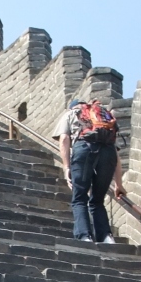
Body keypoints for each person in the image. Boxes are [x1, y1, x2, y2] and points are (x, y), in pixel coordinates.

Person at [53, 99, 125, 244]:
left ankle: (84, 236)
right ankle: (106, 237)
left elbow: (64, 138)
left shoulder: (71, 113)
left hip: (84, 148)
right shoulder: (104, 117)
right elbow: (116, 154)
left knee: (80, 197)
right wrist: (118, 184)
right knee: (98, 200)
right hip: (108, 153)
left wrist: (66, 167)